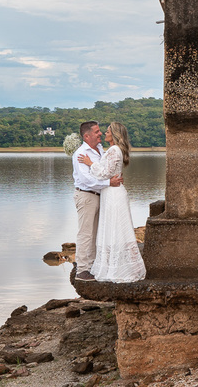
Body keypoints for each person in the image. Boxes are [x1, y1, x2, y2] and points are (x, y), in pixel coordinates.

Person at [75, 122, 146, 282]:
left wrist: (90, 163)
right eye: (99, 131)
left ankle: (117, 268)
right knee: (111, 229)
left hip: (112, 193)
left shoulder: (113, 150)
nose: (103, 133)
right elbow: (102, 174)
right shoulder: (107, 150)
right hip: (107, 192)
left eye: (106, 131)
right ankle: (107, 266)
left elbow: (104, 173)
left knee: (114, 229)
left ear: (114, 134)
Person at [73, 120, 121, 282]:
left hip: (100, 195)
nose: (100, 133)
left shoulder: (100, 149)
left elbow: (102, 170)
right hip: (86, 196)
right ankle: (81, 270)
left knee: (96, 234)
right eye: (96, 132)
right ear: (86, 136)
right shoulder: (80, 153)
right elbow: (86, 179)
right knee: (85, 234)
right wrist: (109, 183)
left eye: (100, 131)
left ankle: (92, 266)